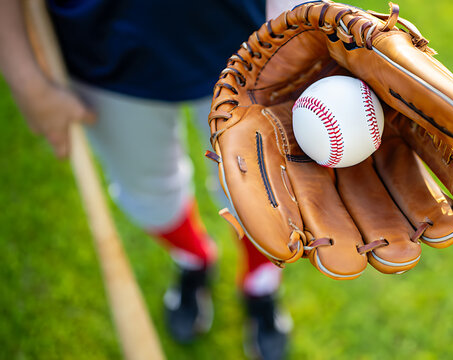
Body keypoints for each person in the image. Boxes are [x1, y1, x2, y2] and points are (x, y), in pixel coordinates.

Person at [0, 0, 304, 358]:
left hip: (250, 42)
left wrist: (296, 28)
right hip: (104, 52)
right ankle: (195, 258)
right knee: (148, 196)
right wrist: (24, 78)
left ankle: (259, 284)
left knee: (263, 197)